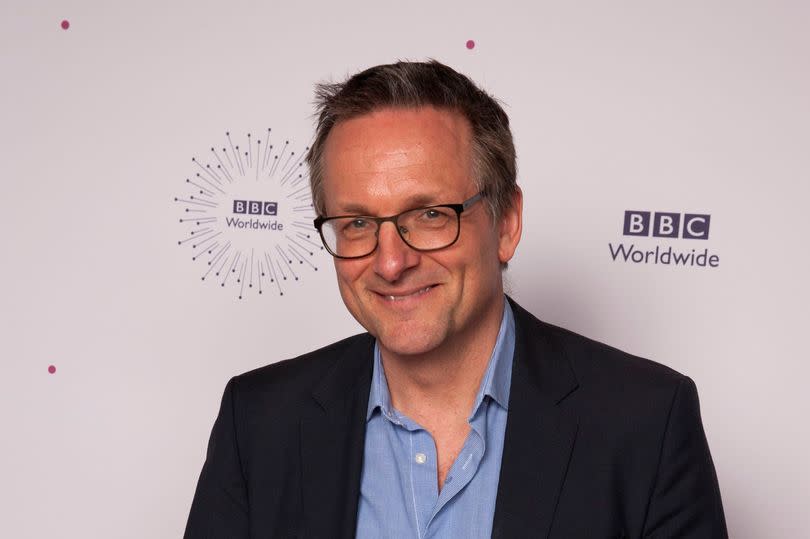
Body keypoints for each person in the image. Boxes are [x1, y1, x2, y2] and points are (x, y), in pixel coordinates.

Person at [184, 60, 727, 538]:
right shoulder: (258, 422)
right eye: (356, 223)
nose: (391, 262)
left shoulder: (646, 422)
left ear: (507, 223)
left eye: (430, 215)